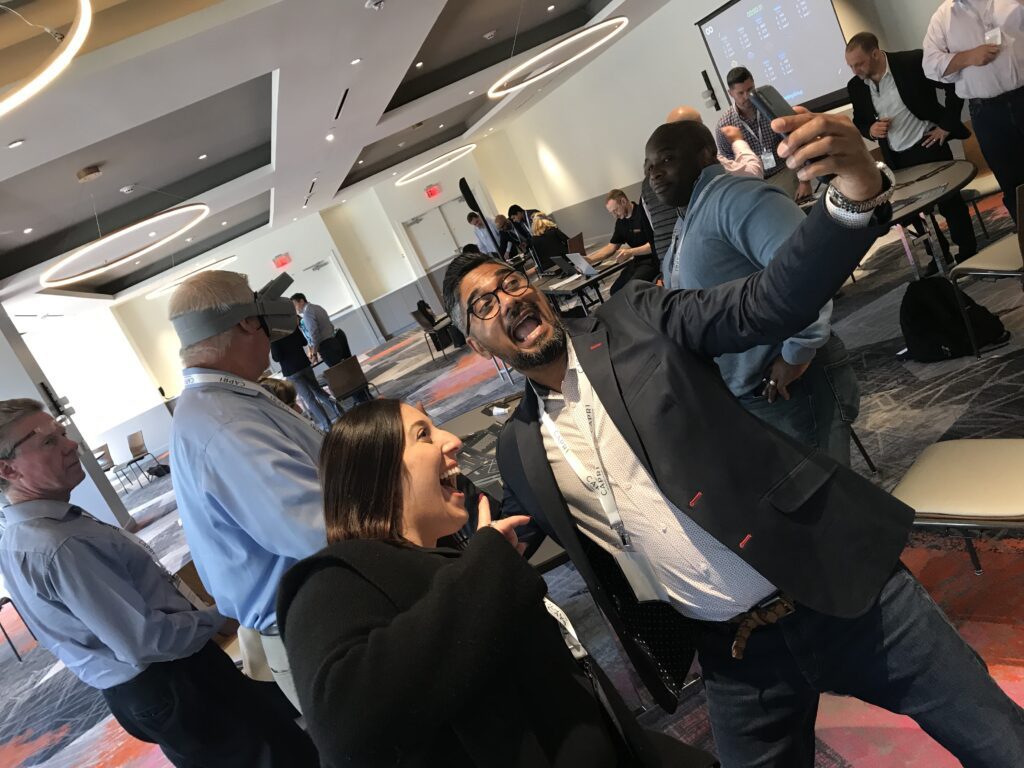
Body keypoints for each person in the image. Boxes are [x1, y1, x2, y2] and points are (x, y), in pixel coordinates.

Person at [442, 109, 1024, 767]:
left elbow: (768, 300)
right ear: (475, 345)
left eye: (510, 282)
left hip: (837, 589)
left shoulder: (635, 319)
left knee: (1000, 744)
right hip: (737, 656)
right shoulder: (521, 449)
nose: (506, 299)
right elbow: (479, 544)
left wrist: (854, 198)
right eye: (483, 305)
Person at [276, 399, 717, 768]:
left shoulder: (447, 562)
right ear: (375, 473)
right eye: (424, 435)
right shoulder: (335, 576)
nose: (453, 441)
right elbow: (346, 725)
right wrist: (487, 566)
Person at [0, 399, 318, 767]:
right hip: (169, 678)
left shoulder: (26, 532)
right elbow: (144, 641)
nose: (71, 445)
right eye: (49, 443)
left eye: (62, 433)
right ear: (8, 469)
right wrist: (219, 616)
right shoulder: (58, 543)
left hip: (154, 682)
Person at [654, 120, 859, 464]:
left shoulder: (740, 198)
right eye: (648, 168)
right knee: (799, 501)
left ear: (705, 155)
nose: (655, 175)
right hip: (751, 390)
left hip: (791, 384)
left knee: (828, 503)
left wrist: (796, 356)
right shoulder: (688, 217)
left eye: (666, 159)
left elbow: (809, 274)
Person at [169, 270, 326, 709]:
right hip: (318, 627)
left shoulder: (224, 404)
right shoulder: (226, 424)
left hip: (311, 618)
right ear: (246, 322)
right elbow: (317, 531)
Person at [847, 32, 977, 263]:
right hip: (895, 156)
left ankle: (968, 251)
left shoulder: (912, 62)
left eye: (859, 64)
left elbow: (953, 84)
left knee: (950, 203)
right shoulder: (856, 86)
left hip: (928, 144)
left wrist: (946, 126)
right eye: (851, 66)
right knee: (913, 213)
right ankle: (938, 256)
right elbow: (860, 120)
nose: (854, 70)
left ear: (875, 54)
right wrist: (870, 130)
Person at [924, 0, 1024, 224]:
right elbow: (929, 65)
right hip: (987, 113)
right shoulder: (943, 17)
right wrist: (967, 57)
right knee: (1013, 186)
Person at [642, 105, 764, 261]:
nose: (655, 175)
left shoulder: (651, 185)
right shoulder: (707, 165)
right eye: (650, 167)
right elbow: (753, 173)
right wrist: (737, 141)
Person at [716, 66, 813, 200]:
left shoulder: (770, 107)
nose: (746, 97)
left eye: (750, 90)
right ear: (730, 93)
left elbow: (795, 141)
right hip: (755, 186)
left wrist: (805, 181)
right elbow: (728, 164)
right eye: (740, 93)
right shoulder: (724, 125)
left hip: (786, 173)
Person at [587, 189, 660, 294]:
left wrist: (631, 252)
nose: (614, 215)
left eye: (615, 210)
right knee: (614, 291)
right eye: (612, 213)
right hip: (637, 263)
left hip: (652, 261)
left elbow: (654, 244)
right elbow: (611, 247)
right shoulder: (621, 222)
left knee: (631, 290)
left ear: (623, 201)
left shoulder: (643, 214)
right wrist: (590, 259)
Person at [270, 327, 341, 431]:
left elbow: (276, 357)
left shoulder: (274, 335)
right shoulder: (291, 326)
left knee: (309, 399)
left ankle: (327, 425)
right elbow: (304, 342)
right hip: (304, 364)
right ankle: (340, 411)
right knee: (319, 391)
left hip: (291, 371)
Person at [291, 292, 348, 366]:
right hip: (334, 341)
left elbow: (314, 335)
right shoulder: (317, 307)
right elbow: (330, 326)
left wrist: (314, 354)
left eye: (295, 305)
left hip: (326, 346)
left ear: (301, 301)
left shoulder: (307, 314)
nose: (295, 308)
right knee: (346, 367)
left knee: (338, 372)